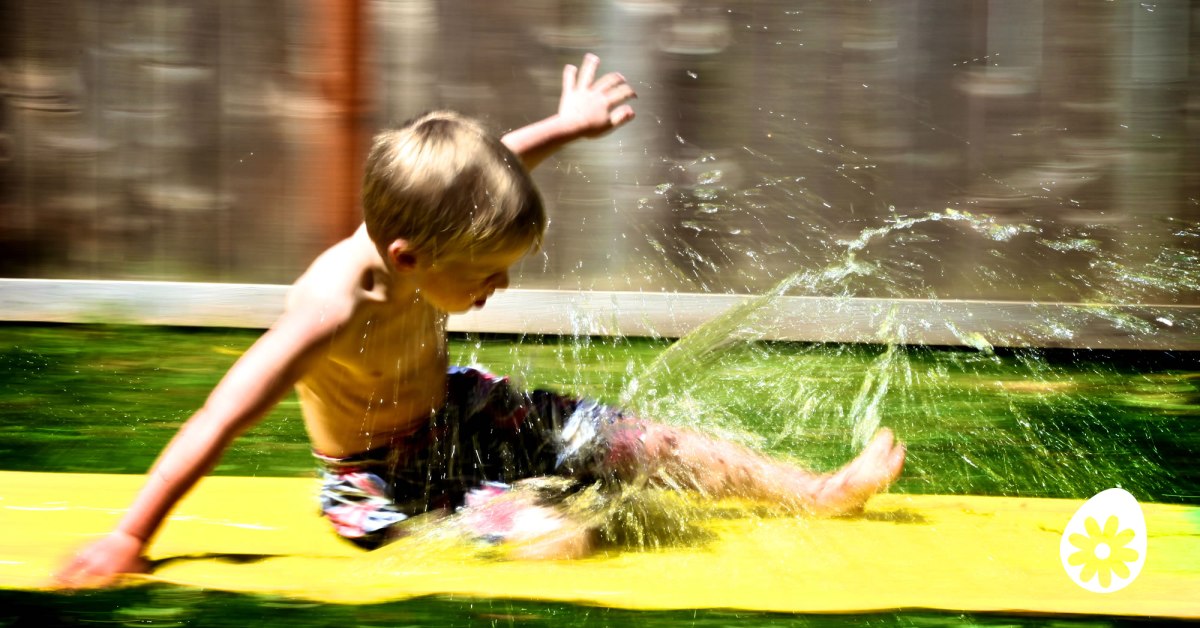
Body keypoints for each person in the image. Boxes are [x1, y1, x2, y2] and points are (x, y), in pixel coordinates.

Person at [53, 54, 905, 587]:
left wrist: (566, 128)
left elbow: (492, 167)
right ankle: (529, 527)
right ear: (411, 259)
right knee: (557, 539)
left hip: (460, 408)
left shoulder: (427, 231)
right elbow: (220, 416)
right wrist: (130, 534)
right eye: (487, 274)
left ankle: (813, 493)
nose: (500, 286)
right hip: (379, 477)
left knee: (641, 441)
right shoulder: (326, 309)